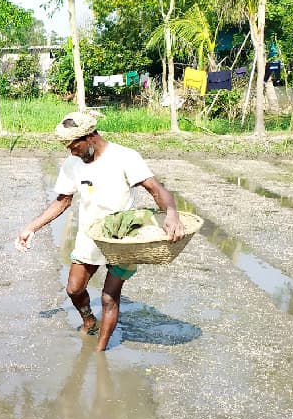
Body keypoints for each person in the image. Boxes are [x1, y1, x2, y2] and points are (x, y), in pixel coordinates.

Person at [16, 111, 184, 351]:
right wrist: (31, 228)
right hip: (90, 235)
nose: (71, 152)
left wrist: (172, 214)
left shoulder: (125, 157)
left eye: (74, 146)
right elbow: (62, 201)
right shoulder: (72, 163)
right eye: (67, 148)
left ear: (91, 136)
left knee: (108, 297)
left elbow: (156, 189)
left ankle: (99, 352)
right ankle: (88, 319)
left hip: (122, 238)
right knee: (74, 289)